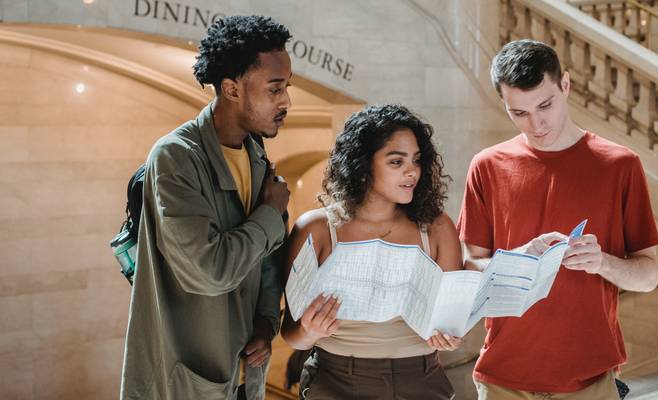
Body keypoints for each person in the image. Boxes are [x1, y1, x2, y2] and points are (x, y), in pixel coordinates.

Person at [457, 39, 658, 400]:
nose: (536, 124)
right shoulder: (486, 166)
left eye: (545, 105)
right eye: (518, 112)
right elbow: (468, 269)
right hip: (502, 379)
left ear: (565, 84)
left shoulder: (620, 165)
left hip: (591, 381)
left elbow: (648, 277)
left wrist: (602, 262)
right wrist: (515, 260)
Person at [120, 15, 292, 400]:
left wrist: (266, 324)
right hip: (190, 380)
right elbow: (208, 271)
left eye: (288, 88)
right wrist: (270, 213)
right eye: (275, 89)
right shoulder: (176, 156)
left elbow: (265, 259)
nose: (286, 102)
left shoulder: (256, 153)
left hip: (248, 378)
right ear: (232, 89)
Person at [281, 104, 462, 399]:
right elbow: (291, 334)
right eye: (396, 161)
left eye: (416, 160)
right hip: (336, 380)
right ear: (363, 165)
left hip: (420, 380)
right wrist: (310, 332)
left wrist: (449, 337)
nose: (411, 171)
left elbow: (452, 323)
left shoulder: (438, 228)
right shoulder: (315, 229)